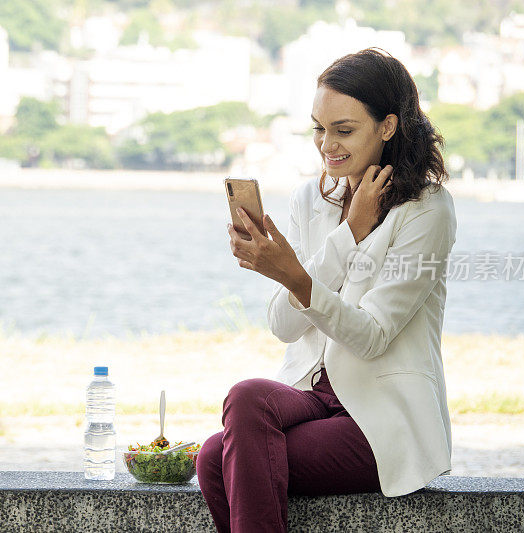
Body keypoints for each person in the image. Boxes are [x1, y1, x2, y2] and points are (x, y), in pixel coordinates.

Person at [197, 48, 457, 533]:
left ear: (387, 126)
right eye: (319, 128)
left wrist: (294, 274)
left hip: (378, 415)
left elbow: (374, 336)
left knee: (216, 458)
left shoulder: (427, 210)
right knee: (244, 401)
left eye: (344, 130)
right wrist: (346, 234)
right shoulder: (311, 199)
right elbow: (283, 325)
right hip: (312, 394)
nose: (326, 145)